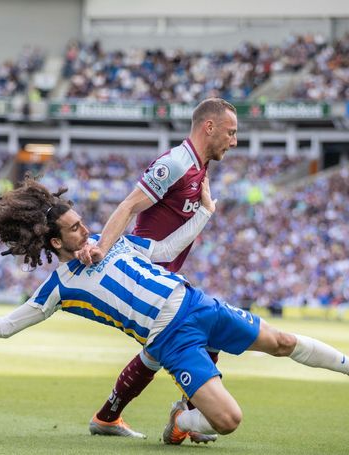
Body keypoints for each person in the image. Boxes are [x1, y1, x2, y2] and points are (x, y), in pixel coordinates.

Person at [0, 177, 349, 445]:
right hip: (171, 339)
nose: (85, 231)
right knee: (229, 421)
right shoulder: (60, 288)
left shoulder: (115, 243)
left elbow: (168, 245)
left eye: (83, 222)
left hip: (197, 303)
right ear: (54, 241)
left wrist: (206, 213)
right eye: (73, 229)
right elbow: (7, 326)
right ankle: (181, 421)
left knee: (282, 342)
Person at [75, 97, 238, 440]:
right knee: (206, 330)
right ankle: (187, 417)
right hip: (148, 270)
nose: (234, 141)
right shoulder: (176, 163)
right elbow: (131, 204)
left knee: (160, 348)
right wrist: (102, 247)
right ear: (209, 127)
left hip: (164, 269)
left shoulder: (199, 165)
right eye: (230, 132)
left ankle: (110, 417)